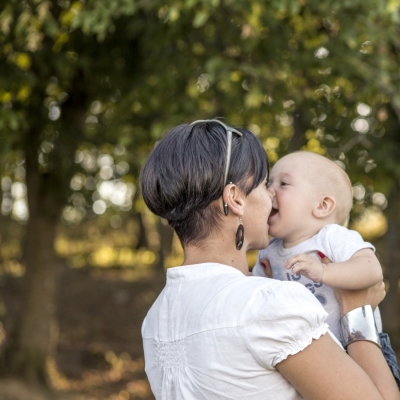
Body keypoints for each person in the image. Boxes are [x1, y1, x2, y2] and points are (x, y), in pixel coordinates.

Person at [140, 119, 399, 399]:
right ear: (235, 199)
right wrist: (357, 312)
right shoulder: (269, 305)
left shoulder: (155, 319)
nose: (272, 195)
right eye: (265, 184)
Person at [252, 151, 400, 386]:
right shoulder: (268, 251)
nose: (270, 191)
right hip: (310, 354)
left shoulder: (331, 238)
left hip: (360, 345)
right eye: (269, 183)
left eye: (283, 183)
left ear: (322, 205)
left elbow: (371, 270)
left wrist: (324, 272)